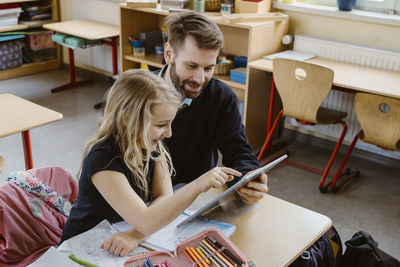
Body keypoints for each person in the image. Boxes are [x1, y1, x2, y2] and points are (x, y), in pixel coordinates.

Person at [60, 69, 241, 256]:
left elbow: (164, 198)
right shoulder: (102, 160)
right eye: (161, 125)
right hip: (80, 249)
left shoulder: (152, 147)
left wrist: (136, 235)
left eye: (170, 123)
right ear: (126, 117)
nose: (169, 133)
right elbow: (145, 220)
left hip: (121, 238)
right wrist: (198, 184)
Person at [159, 12, 268, 204]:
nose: (200, 79)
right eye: (191, 66)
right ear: (169, 54)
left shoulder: (221, 97)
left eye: (208, 68)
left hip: (196, 197)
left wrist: (249, 177)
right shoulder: (134, 95)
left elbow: (238, 149)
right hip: (143, 201)